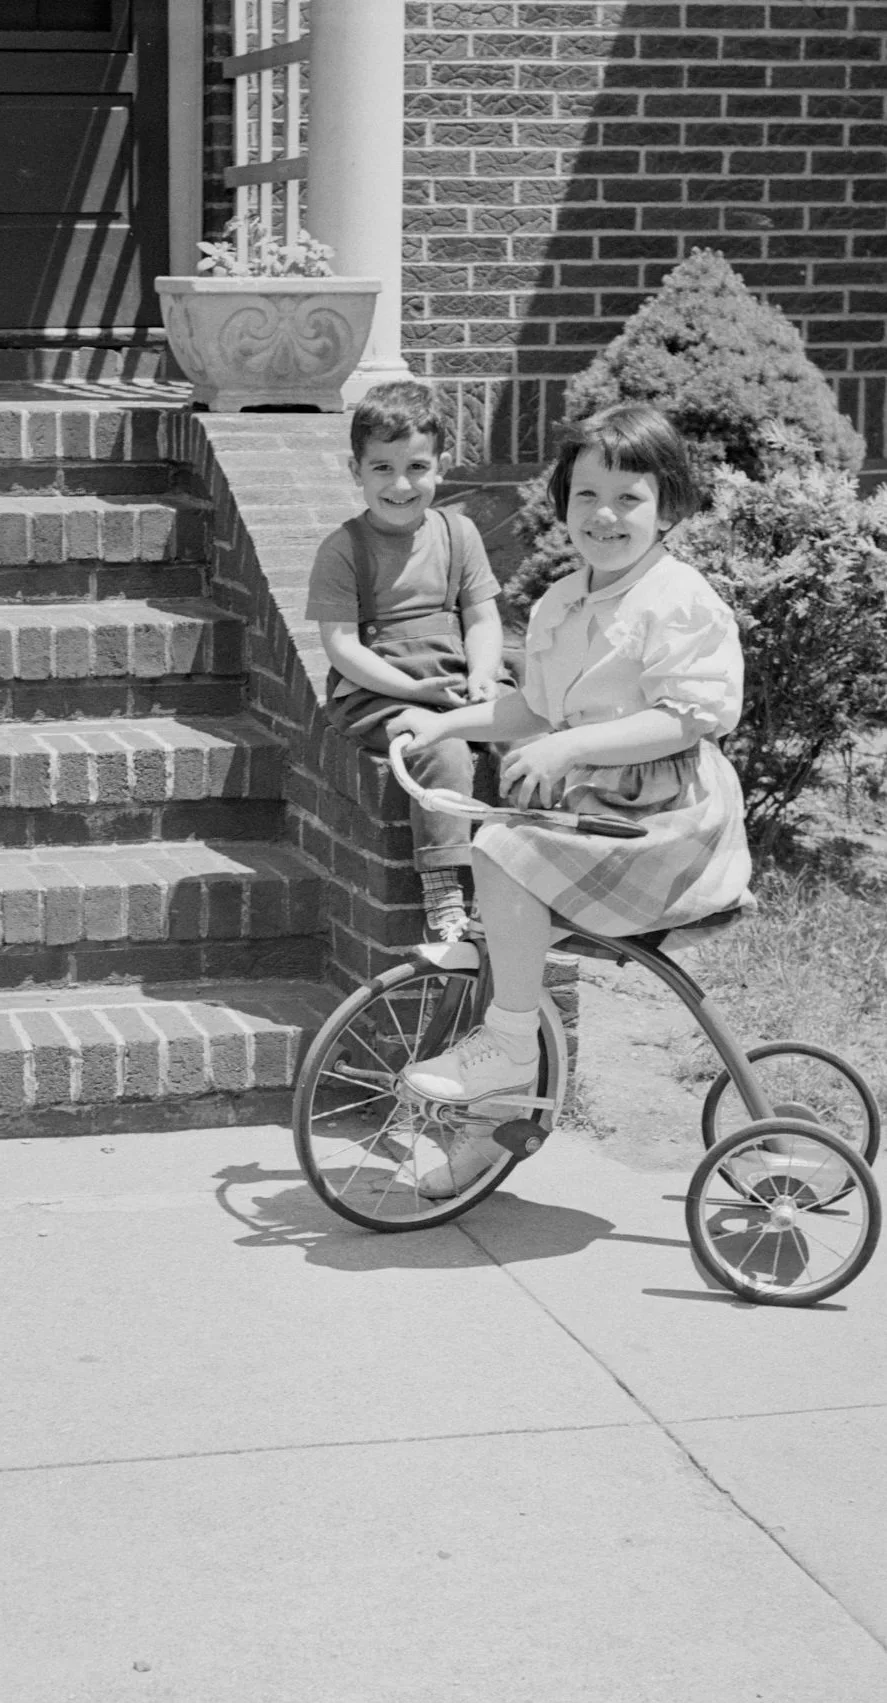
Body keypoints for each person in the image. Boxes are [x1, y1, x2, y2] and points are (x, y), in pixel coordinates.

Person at [387, 403, 753, 1196]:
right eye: (586, 495)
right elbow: (534, 709)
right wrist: (441, 720)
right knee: (500, 923)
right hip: (599, 817)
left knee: (500, 850)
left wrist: (572, 746)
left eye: (629, 497)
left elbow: (690, 716)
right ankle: (498, 1106)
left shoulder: (677, 599)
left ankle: (512, 1046)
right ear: (562, 503)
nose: (606, 515)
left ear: (670, 507)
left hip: (667, 823)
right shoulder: (561, 603)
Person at [305, 380, 507, 942]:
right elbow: (344, 648)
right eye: (382, 468)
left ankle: (531, 860)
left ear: (441, 465)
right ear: (355, 470)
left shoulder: (458, 533)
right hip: (379, 691)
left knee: (527, 728)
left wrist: (485, 677)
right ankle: (445, 887)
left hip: (454, 676)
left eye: (417, 466)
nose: (401, 484)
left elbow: (483, 619)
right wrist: (421, 698)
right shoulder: (344, 549)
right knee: (441, 749)